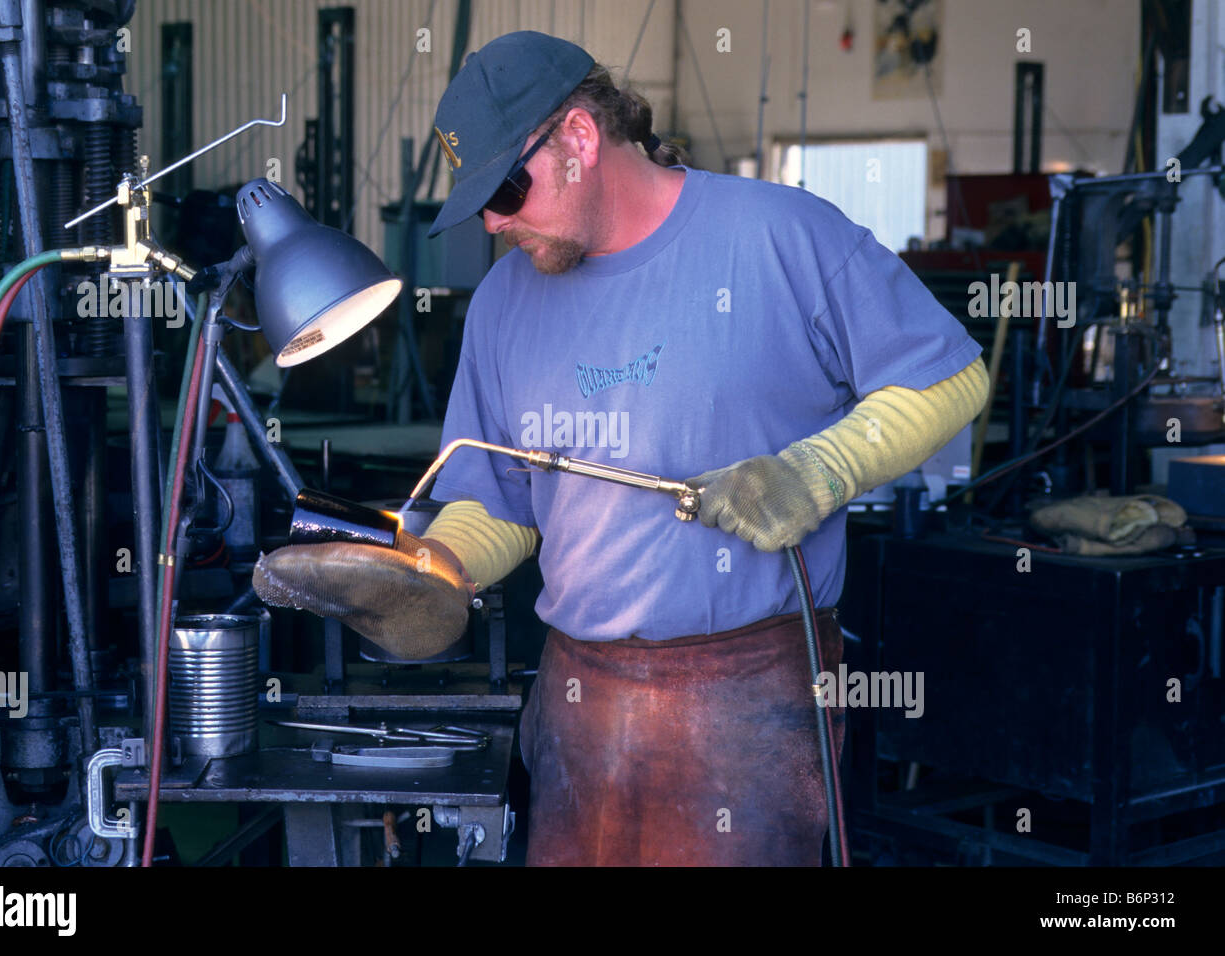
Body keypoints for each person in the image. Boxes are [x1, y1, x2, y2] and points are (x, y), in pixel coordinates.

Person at [410, 30, 988, 866]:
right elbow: (501, 506)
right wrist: (426, 575)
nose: (496, 222)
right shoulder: (502, 304)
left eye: (505, 187)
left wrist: (818, 471)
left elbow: (949, 377)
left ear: (578, 138)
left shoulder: (780, 237)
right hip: (579, 707)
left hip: (745, 704)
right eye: (481, 206)